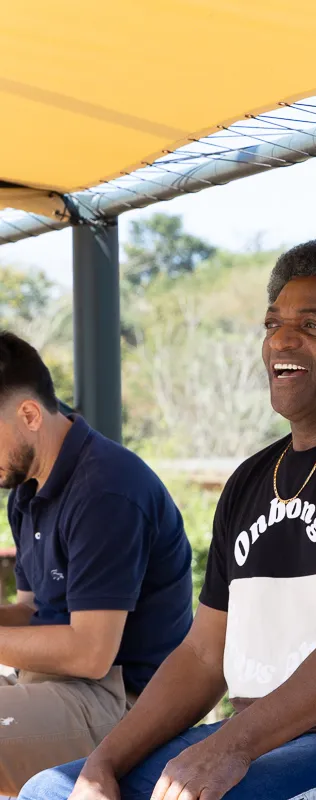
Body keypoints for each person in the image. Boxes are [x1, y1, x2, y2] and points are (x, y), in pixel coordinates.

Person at [20, 240, 316, 800]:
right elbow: (202, 655)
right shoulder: (250, 480)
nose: (281, 340)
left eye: (312, 326)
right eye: (272, 324)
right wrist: (103, 763)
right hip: (262, 740)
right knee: (51, 790)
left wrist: (231, 748)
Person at [0, 332, 193, 795]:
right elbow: (33, 611)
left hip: (128, 704)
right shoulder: (26, 489)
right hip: (57, 683)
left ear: (29, 415)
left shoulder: (106, 490)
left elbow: (90, 653)